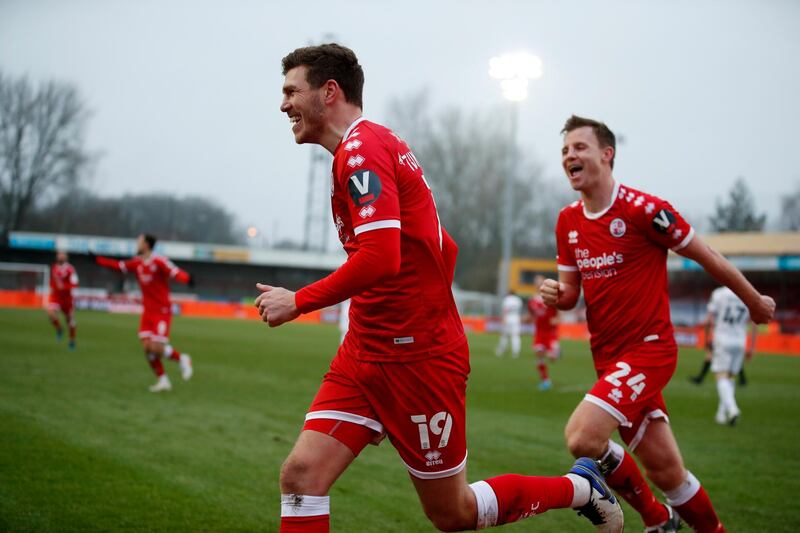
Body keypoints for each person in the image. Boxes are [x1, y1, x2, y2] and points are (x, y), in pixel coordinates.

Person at [257, 44, 623, 533]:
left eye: (291, 92)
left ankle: (580, 488)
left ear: (329, 92)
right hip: (365, 353)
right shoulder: (366, 147)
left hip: (418, 361)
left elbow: (382, 256)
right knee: (301, 477)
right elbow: (441, 246)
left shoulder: (363, 150)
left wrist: (298, 301)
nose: (283, 105)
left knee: (453, 513)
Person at [541, 115, 775, 533]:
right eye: (564, 151)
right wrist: (554, 294)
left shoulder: (645, 210)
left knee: (582, 437)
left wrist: (754, 301)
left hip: (650, 350)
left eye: (579, 148)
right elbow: (569, 297)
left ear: (606, 155)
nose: (569, 156)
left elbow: (708, 257)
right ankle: (684, 523)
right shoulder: (567, 222)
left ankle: (653, 518)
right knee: (669, 473)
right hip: (610, 361)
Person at [93, 234, 195, 392]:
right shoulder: (137, 263)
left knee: (156, 348)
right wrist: (98, 260)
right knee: (147, 347)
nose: (137, 244)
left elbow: (174, 271)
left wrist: (187, 279)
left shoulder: (158, 261)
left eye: (139, 242)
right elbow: (119, 265)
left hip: (162, 310)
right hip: (148, 311)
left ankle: (182, 358)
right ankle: (163, 380)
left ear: (147, 244)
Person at [705, 286, 757, 425]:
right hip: (740, 340)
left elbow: (709, 320)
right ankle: (721, 414)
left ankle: (733, 409)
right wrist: (752, 346)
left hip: (723, 339)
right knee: (730, 377)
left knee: (721, 376)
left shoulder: (718, 293)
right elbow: (754, 323)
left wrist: (707, 343)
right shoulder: (747, 292)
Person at [528, 275, 560, 390]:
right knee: (539, 354)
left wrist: (557, 319)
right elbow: (531, 315)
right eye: (536, 282)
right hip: (539, 332)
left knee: (552, 358)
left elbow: (558, 310)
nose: (538, 284)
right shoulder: (532, 300)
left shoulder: (549, 298)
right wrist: (527, 319)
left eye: (540, 282)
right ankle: (546, 380)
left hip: (550, 332)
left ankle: (557, 351)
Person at [47, 250, 79, 349]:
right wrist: (53, 286)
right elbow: (53, 281)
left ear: (66, 257)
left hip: (67, 299)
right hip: (56, 297)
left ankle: (72, 340)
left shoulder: (70, 269)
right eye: (58, 255)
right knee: (50, 312)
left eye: (62, 255)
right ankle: (59, 329)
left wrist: (64, 287)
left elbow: (75, 283)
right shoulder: (54, 267)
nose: (59, 256)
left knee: (70, 321)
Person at [495, 291, 523, 358]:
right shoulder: (518, 300)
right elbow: (520, 310)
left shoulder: (507, 299)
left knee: (504, 336)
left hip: (508, 318)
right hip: (516, 318)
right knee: (515, 336)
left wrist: (503, 319)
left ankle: (501, 350)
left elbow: (505, 309)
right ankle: (516, 352)